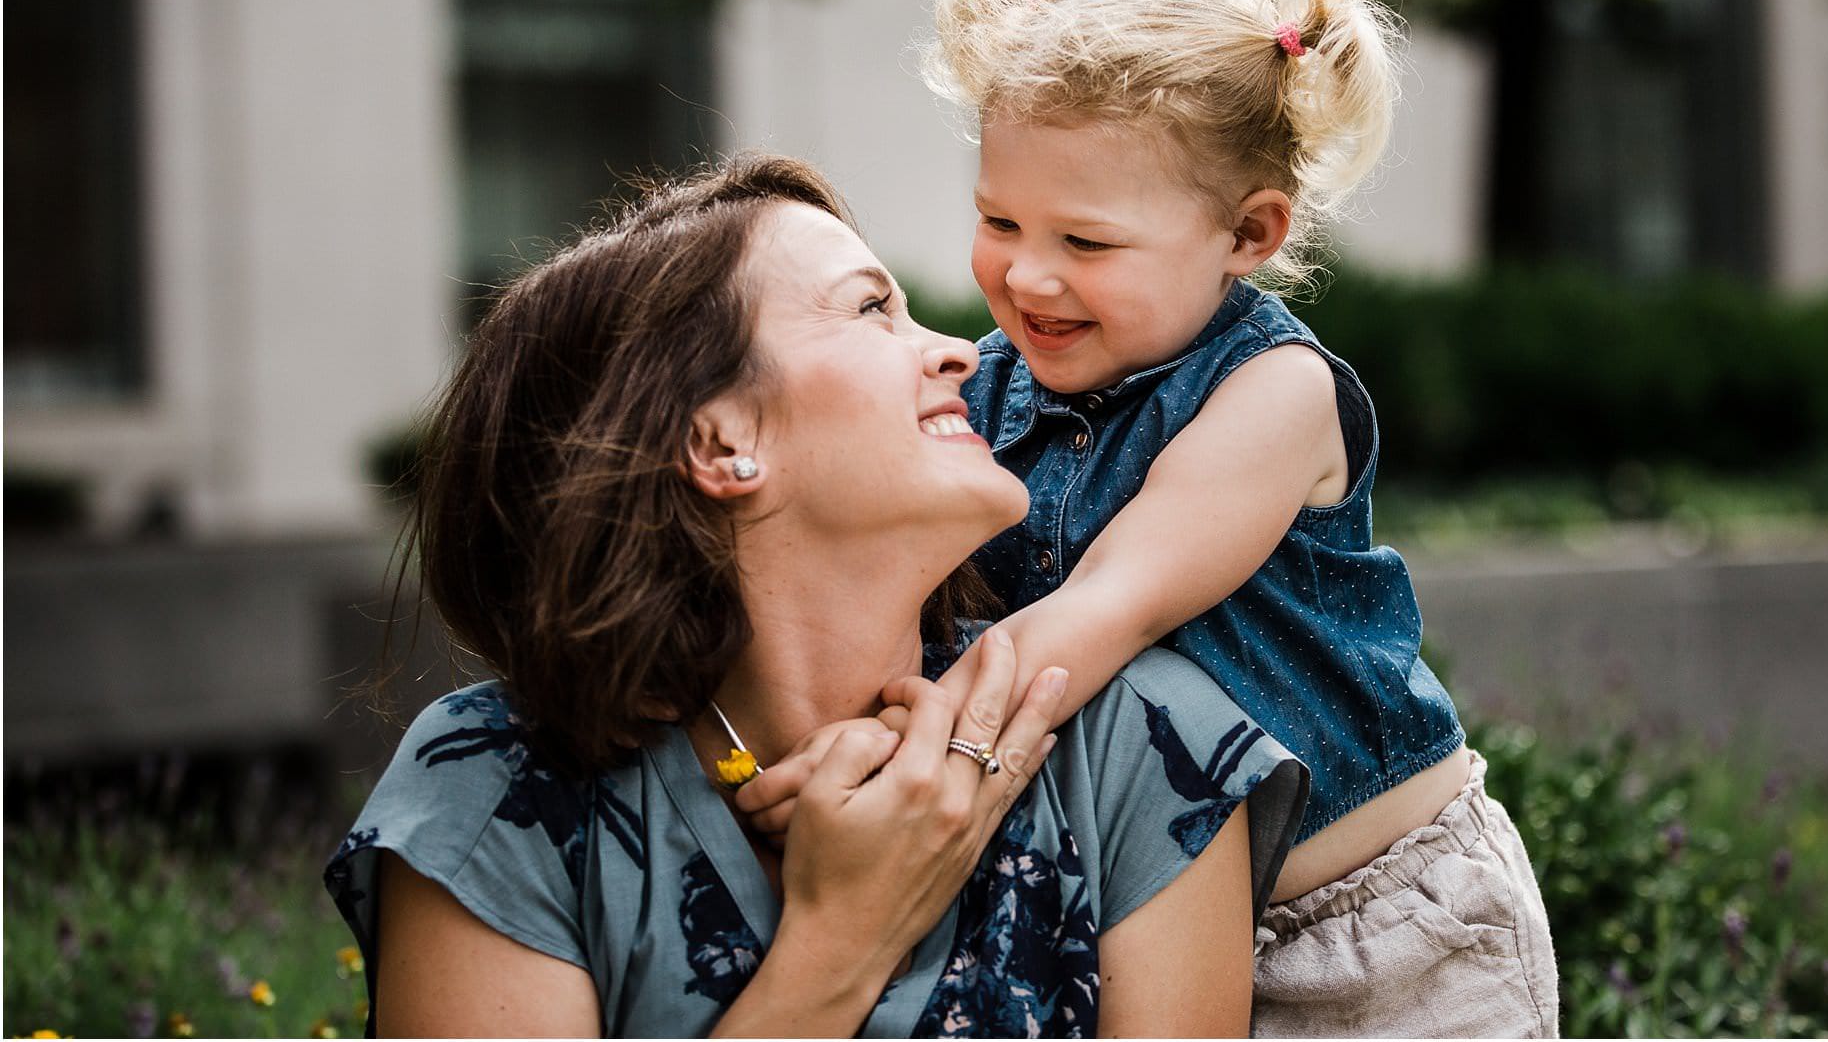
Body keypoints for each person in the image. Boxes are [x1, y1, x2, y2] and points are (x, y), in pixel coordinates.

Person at [738, 0, 1558, 1037]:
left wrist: (885, 748)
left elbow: (1103, 610)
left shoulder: (1270, 394)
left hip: (1382, 921)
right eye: (997, 220)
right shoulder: (978, 386)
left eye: (1086, 242)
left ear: (1249, 234)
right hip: (1159, 904)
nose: (1027, 277)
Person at [324, 154, 1308, 1037]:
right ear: (719, 443)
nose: (962, 351)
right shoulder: (497, 792)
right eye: (870, 308)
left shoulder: (1141, 744)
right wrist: (840, 941)